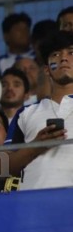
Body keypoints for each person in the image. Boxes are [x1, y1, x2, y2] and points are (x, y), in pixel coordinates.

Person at [8, 30, 73, 190]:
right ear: (46, 70)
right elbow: (3, 168)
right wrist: (36, 145)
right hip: (34, 203)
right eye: (56, 54)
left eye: (71, 53)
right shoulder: (25, 113)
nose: (64, 58)